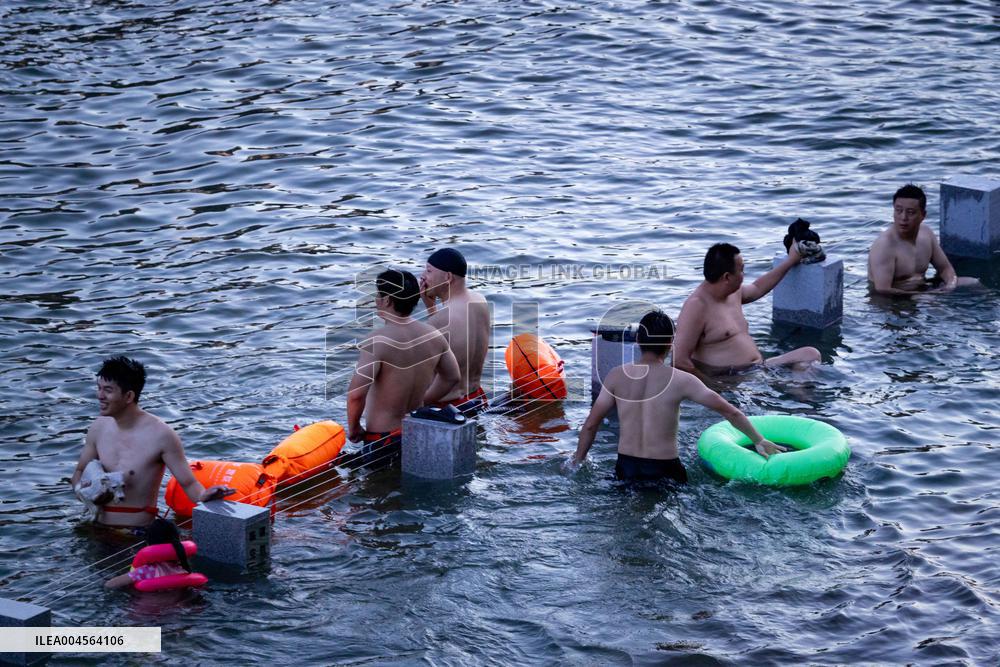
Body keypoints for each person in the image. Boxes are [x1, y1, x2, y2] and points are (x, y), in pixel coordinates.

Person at [571, 311, 785, 483]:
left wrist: (577, 462)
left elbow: (590, 425)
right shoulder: (682, 380)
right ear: (670, 342)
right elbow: (730, 412)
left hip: (626, 467)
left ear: (637, 340)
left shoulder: (616, 376)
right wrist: (758, 440)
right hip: (664, 469)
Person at [70, 357, 234, 531]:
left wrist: (204, 495)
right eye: (99, 388)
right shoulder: (98, 428)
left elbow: (188, 483)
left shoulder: (161, 435)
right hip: (95, 528)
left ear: (129, 396)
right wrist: (85, 492)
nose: (100, 396)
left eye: (108, 390)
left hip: (135, 534)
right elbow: (79, 472)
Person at [346, 269, 461, 466]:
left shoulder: (377, 341)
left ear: (387, 300)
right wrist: (423, 401)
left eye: (378, 294)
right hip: (418, 430)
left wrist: (354, 427)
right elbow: (452, 377)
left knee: (381, 484)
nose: (376, 299)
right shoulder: (434, 335)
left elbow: (356, 395)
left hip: (382, 439)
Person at [673, 242, 820, 375]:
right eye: (742, 270)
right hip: (728, 379)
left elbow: (758, 288)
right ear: (727, 277)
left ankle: (798, 394)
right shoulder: (696, 306)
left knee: (810, 354)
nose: (744, 275)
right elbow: (679, 361)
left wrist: (791, 260)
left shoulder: (733, 293)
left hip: (757, 368)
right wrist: (713, 387)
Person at [868, 183, 980, 295]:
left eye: (910, 212)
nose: (903, 217)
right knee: (928, 300)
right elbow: (882, 289)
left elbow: (945, 268)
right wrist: (923, 295)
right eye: (898, 210)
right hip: (895, 299)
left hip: (923, 289)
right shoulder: (885, 245)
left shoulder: (926, 234)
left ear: (923, 215)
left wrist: (950, 285)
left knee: (973, 283)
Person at [420, 248, 491, 416]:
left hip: (448, 409)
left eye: (428, 271)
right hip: (476, 399)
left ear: (448, 277)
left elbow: (424, 375)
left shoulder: (439, 320)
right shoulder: (479, 300)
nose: (422, 277)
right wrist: (431, 307)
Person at [105, 518, 195, 589]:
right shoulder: (184, 569)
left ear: (149, 544)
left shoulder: (145, 571)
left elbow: (109, 585)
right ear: (179, 542)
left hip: (145, 607)